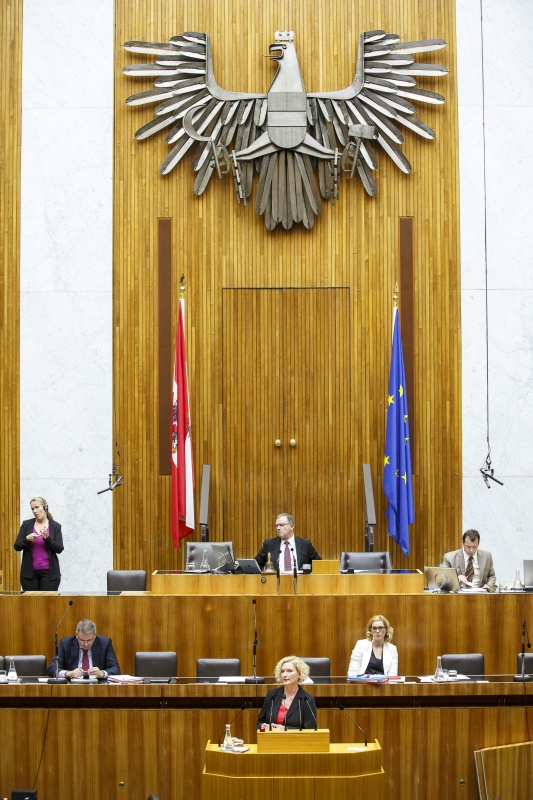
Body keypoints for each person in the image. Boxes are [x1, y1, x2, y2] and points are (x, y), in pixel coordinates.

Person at [13, 496, 64, 592]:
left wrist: (47, 539)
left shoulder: (55, 526)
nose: (34, 511)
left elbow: (59, 548)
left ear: (45, 508)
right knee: (31, 605)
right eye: (32, 509)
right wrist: (26, 539)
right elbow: (17, 546)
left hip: (50, 575)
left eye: (37, 507)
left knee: (47, 605)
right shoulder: (26, 524)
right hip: (29, 575)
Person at [257, 655, 317, 731]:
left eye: (289, 671)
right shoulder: (272, 695)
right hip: (271, 740)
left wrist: (286, 730)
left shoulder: (307, 700)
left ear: (299, 674)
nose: (285, 675)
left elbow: (310, 731)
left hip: (294, 742)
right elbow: (259, 722)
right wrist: (263, 726)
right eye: (282, 671)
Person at [47, 619, 121, 679]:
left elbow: (115, 669)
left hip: (98, 686)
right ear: (76, 635)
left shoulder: (105, 643)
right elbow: (52, 668)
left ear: (94, 635)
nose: (86, 644)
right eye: (82, 640)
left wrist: (102, 673)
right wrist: (68, 673)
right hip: (72, 687)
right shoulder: (66, 643)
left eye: (89, 640)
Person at [255, 513, 321, 572]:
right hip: (275, 582)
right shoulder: (269, 544)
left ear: (292, 526)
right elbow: (256, 565)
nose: (278, 528)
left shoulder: (305, 544)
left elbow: (319, 564)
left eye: (281, 525)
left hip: (300, 582)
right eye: (277, 525)